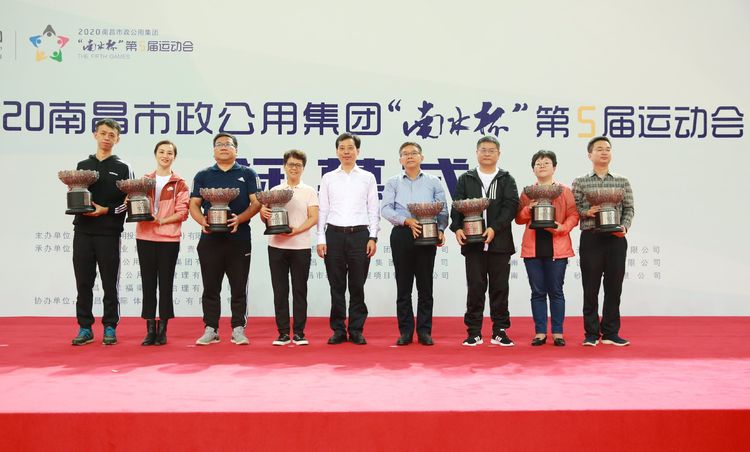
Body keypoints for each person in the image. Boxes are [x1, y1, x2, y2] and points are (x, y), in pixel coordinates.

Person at [189, 133, 261, 346]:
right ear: (213, 150)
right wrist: (202, 220)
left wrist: (240, 218)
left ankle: (238, 329)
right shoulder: (203, 175)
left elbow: (256, 203)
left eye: (228, 144)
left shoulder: (247, 173)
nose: (223, 147)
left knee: (238, 286)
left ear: (236, 150)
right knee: (210, 286)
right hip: (210, 239)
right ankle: (211, 328)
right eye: (219, 144)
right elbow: (194, 204)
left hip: (239, 238)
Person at [449, 135, 518, 347]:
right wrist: (457, 228)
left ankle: (500, 331)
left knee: (500, 288)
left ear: (499, 153)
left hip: (500, 243)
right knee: (475, 288)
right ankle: (474, 332)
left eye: (491, 150)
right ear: (476, 153)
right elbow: (457, 206)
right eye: (483, 150)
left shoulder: (506, 179)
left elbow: (510, 207)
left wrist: (494, 228)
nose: (487, 153)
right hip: (473, 244)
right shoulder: (466, 178)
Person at [71, 118, 134, 346]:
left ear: (117, 139)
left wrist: (106, 210)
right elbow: (76, 194)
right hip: (83, 231)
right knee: (83, 282)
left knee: (109, 283)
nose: (107, 138)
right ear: (95, 135)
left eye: (112, 135)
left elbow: (130, 201)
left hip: (109, 232)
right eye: (103, 133)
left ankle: (110, 326)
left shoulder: (123, 167)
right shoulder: (82, 165)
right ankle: (84, 327)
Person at [381, 142, 448, 346]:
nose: (409, 156)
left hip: (427, 234)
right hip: (402, 233)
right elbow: (385, 209)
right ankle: (405, 332)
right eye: (405, 154)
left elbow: (443, 210)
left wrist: (441, 230)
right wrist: (406, 220)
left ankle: (424, 331)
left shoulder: (433, 181)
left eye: (413, 153)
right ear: (400, 159)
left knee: (425, 286)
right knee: (404, 286)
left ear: (422, 157)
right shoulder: (393, 182)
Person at [316, 133, 380, 345]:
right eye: (342, 148)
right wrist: (321, 238)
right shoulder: (328, 178)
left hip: (360, 235)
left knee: (357, 285)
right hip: (333, 235)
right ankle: (338, 330)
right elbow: (323, 210)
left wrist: (373, 237)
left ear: (357, 151)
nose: (346, 152)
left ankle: (356, 329)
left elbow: (373, 209)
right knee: (336, 286)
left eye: (350, 148)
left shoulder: (368, 177)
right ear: (337, 151)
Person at [572, 136, 635, 347]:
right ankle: (591, 333)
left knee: (614, 287)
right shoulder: (580, 181)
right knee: (590, 287)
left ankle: (610, 332)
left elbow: (629, 209)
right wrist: (586, 212)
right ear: (590, 155)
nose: (604, 152)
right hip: (591, 238)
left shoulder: (622, 181)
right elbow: (574, 208)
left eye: (607, 148)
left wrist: (624, 227)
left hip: (616, 239)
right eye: (599, 149)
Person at [515, 150, 579, 347]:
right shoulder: (527, 192)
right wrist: (528, 208)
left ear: (554, 167)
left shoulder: (564, 190)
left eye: (546, 163)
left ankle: (558, 332)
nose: (542, 166)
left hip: (557, 248)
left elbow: (573, 215)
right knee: (537, 292)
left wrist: (563, 228)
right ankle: (540, 332)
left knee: (556, 291)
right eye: (538, 163)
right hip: (532, 249)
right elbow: (518, 219)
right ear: (533, 169)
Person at [260, 150, 319, 346]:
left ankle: (299, 333)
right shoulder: (275, 190)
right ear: (284, 166)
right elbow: (266, 218)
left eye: (298, 165)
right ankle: (283, 333)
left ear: (303, 168)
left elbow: (314, 217)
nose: (294, 168)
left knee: (300, 290)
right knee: (280, 291)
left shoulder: (309, 191)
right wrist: (263, 213)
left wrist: (296, 231)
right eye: (291, 164)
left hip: (300, 246)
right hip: (276, 245)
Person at [135, 140, 189, 346]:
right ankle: (150, 328)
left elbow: (183, 212)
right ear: (155, 154)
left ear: (174, 157)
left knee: (166, 284)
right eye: (161, 152)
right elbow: (134, 204)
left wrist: (162, 221)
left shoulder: (180, 183)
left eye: (169, 153)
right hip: (145, 237)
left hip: (169, 239)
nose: (165, 156)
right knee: (148, 283)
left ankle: (163, 328)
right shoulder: (144, 181)